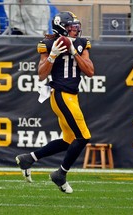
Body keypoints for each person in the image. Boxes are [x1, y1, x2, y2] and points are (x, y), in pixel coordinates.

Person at [15, 11, 94, 194]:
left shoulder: (82, 44)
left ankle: (29, 158)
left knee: (69, 140)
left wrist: (74, 52)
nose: (75, 29)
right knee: (83, 136)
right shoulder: (49, 44)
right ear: (61, 28)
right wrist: (52, 56)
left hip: (72, 96)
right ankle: (61, 174)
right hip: (60, 95)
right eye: (71, 27)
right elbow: (42, 74)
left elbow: (90, 71)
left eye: (76, 26)